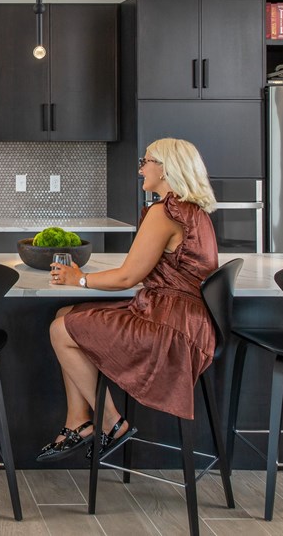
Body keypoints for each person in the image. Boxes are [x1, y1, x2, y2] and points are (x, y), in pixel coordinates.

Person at [36, 137, 218, 462]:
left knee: (59, 331)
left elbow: (126, 277)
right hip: (186, 321)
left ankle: (112, 423)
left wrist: (78, 278)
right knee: (65, 313)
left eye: (146, 161)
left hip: (169, 330)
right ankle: (78, 422)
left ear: (165, 169)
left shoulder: (165, 212)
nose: (140, 169)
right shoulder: (193, 210)